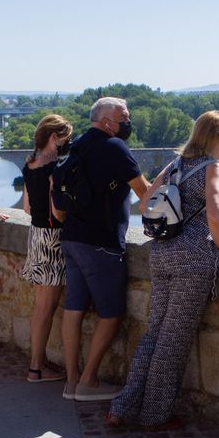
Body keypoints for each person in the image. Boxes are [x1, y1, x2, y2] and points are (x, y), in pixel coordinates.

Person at [108, 110, 219, 427]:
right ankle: (154, 415)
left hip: (162, 253)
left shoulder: (176, 165)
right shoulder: (213, 166)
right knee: (174, 340)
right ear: (218, 137)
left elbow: (144, 204)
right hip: (193, 257)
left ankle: (123, 406)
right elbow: (215, 213)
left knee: (154, 333)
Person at [52, 97, 149, 402]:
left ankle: (71, 381)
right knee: (111, 313)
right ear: (108, 121)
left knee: (74, 308)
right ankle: (89, 381)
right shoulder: (114, 147)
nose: (128, 121)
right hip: (102, 243)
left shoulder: (76, 145)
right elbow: (144, 193)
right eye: (125, 116)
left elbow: (58, 200)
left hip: (71, 238)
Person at [20, 114, 73, 383]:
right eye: (65, 138)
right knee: (46, 308)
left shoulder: (29, 165)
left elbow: (27, 208)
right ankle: (36, 368)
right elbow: (58, 212)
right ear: (54, 137)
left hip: (36, 236)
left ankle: (36, 364)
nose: (67, 143)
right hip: (53, 238)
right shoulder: (54, 168)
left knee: (40, 306)